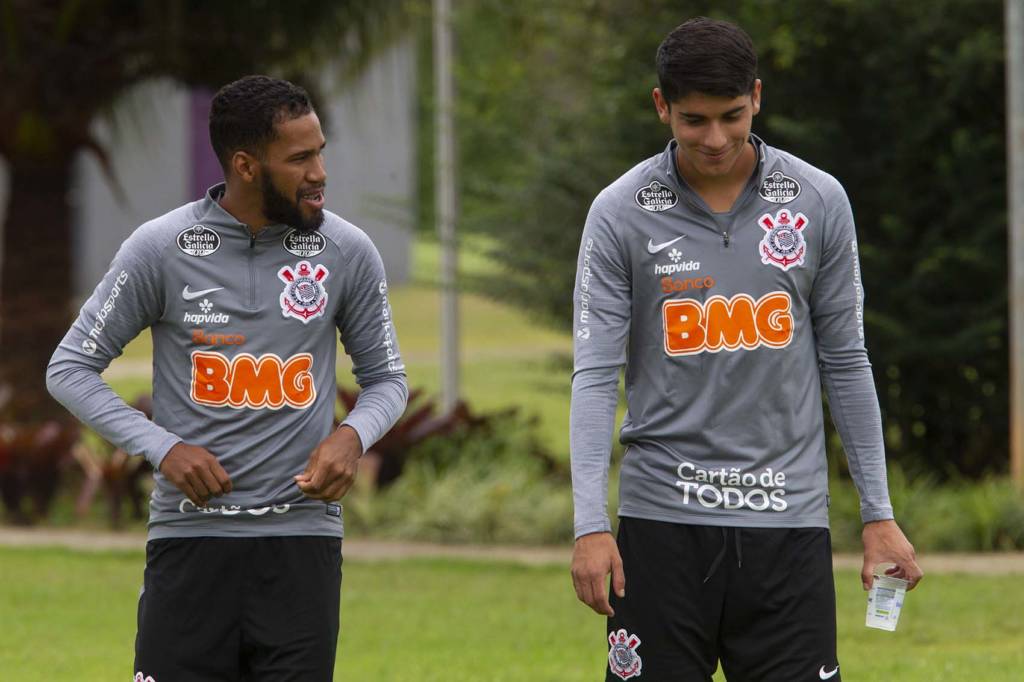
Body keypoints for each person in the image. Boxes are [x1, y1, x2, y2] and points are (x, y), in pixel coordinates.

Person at [569, 18, 922, 682]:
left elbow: (846, 362)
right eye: (694, 120)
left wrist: (878, 514)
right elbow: (593, 375)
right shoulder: (619, 213)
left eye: (732, 116)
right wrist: (590, 525)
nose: (715, 139)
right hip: (661, 527)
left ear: (756, 96)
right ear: (661, 106)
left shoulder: (818, 201)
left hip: (788, 527)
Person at [46, 75, 408, 681]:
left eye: (320, 152)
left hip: (302, 547)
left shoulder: (347, 251)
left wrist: (351, 437)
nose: (319, 172)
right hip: (189, 542)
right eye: (300, 158)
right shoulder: (160, 248)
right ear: (245, 165)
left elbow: (388, 380)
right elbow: (69, 368)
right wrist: (164, 449)